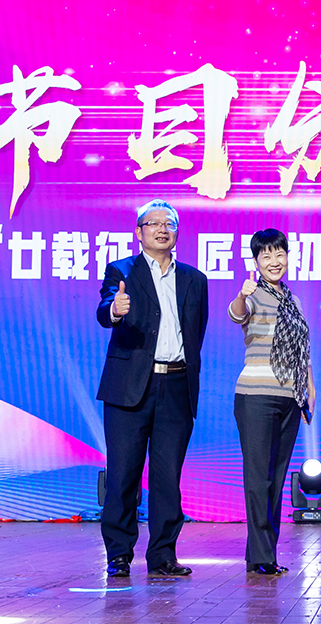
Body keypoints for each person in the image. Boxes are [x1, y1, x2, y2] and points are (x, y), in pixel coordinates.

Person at [96, 199, 208, 578]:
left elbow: (196, 333)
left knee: (167, 477)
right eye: (154, 223)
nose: (162, 229)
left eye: (169, 224)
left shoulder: (195, 279)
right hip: (129, 387)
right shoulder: (121, 270)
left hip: (176, 385)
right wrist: (115, 310)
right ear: (139, 232)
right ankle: (118, 554)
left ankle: (162, 555)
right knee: (123, 474)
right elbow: (104, 309)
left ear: (177, 232)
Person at [229, 229, 316, 576]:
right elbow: (238, 314)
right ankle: (263, 556)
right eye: (265, 256)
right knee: (258, 479)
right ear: (256, 261)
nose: (274, 261)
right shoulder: (253, 294)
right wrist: (241, 295)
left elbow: (301, 351)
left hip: (290, 398)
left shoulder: (294, 302)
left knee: (276, 479)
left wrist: (308, 389)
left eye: (279, 254)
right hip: (256, 396)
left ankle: (262, 554)